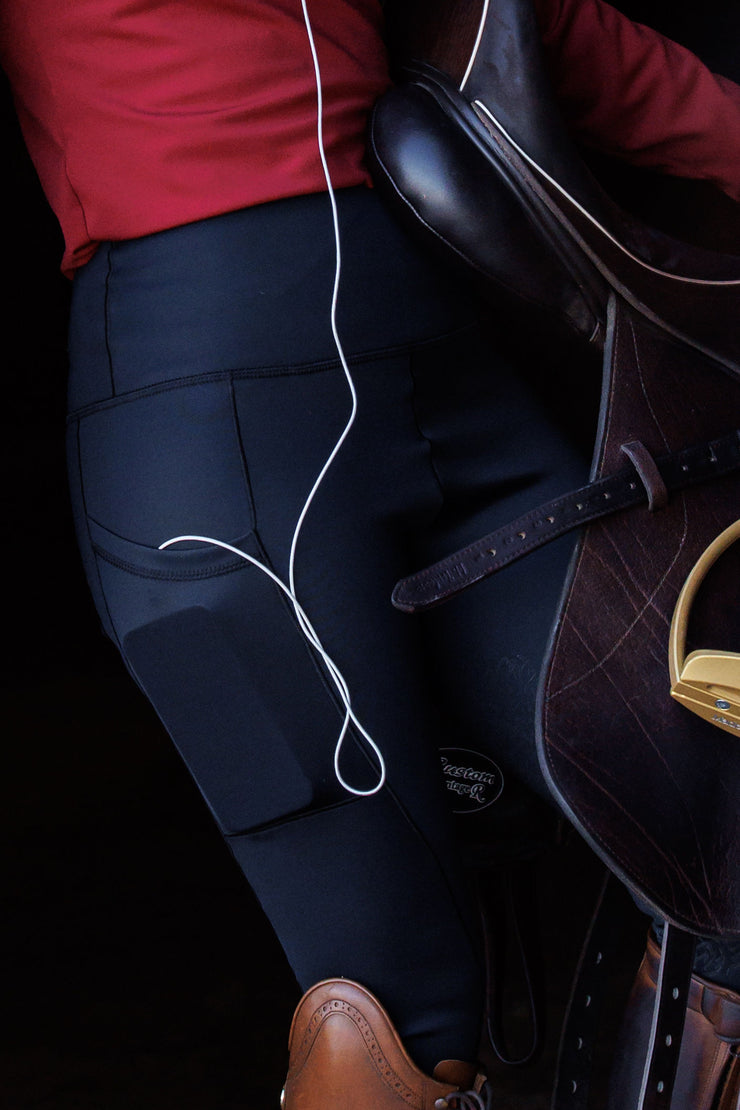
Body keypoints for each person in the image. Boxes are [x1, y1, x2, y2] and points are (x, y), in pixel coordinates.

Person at [1, 1, 738, 1106]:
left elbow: (515, 28)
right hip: (221, 406)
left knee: (717, 824)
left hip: (428, 366)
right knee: (391, 1020)